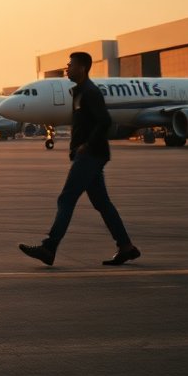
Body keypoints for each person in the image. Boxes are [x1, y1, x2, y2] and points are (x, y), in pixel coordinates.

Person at [19, 51, 140, 267]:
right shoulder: (79, 92)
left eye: (71, 64)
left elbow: (104, 121)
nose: (67, 68)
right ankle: (126, 247)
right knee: (102, 203)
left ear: (82, 68)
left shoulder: (90, 93)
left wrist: (86, 145)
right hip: (88, 155)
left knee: (66, 199)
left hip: (91, 155)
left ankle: (49, 248)